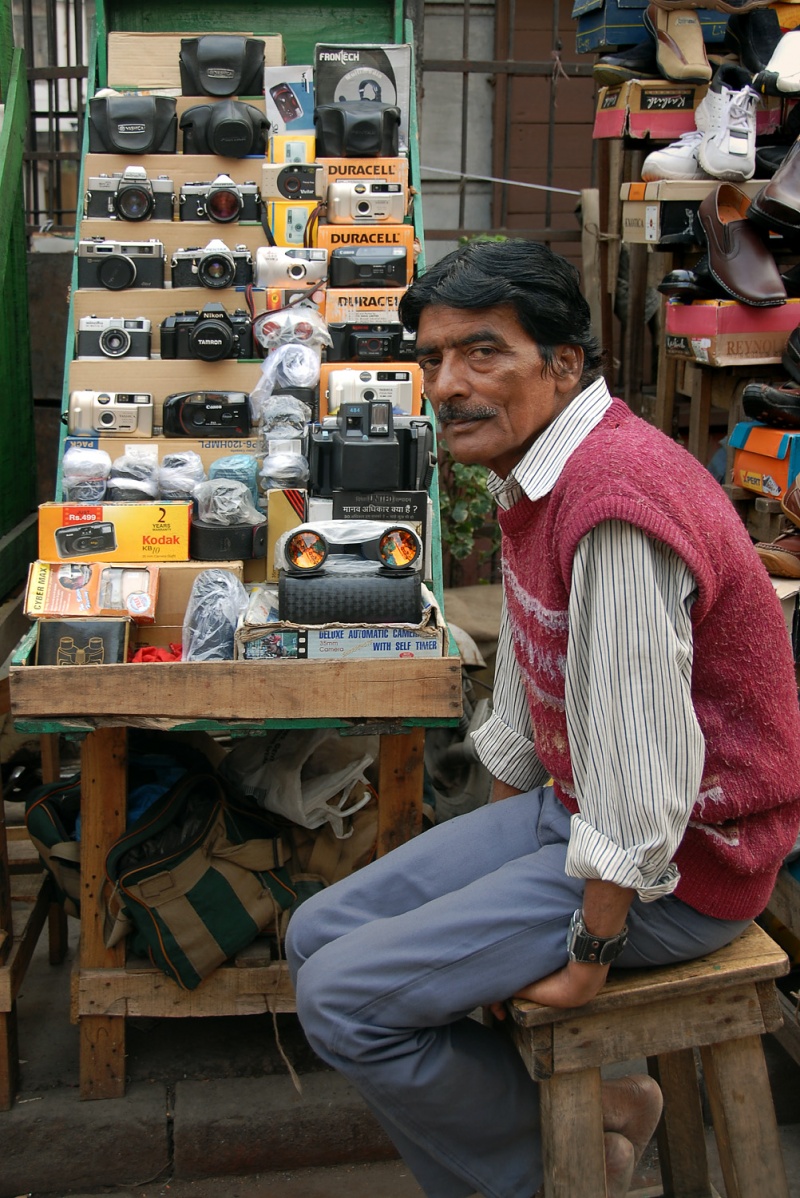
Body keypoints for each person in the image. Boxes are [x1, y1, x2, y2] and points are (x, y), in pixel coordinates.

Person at [286, 239, 800, 1198]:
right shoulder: (541, 469)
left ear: (564, 363)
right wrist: (498, 846)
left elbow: (645, 778)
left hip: (688, 862)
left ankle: (553, 1176)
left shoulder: (612, 503)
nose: (448, 384)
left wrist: (589, 960)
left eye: (483, 353)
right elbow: (533, 678)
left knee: (344, 999)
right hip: (582, 818)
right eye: (434, 359)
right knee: (314, 934)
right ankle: (601, 1118)